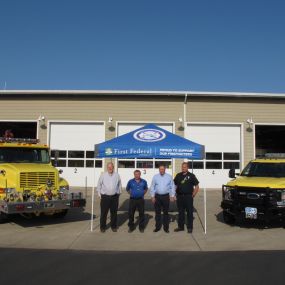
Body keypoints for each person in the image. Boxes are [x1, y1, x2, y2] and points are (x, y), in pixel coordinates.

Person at [174, 162, 199, 234]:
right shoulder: (178, 175)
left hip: (188, 197)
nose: (183, 168)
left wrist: (193, 194)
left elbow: (197, 186)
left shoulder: (191, 176)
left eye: (184, 167)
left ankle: (190, 227)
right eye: (182, 167)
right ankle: (181, 227)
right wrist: (174, 194)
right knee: (181, 212)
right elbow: (174, 185)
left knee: (189, 213)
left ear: (187, 168)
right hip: (180, 197)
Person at [97, 162, 122, 233]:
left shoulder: (117, 175)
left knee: (114, 213)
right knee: (104, 213)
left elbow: (119, 185)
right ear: (107, 168)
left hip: (114, 197)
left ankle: (113, 226)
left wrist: (118, 193)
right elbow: (99, 185)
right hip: (105, 197)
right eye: (109, 167)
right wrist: (100, 195)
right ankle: (102, 227)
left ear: (113, 167)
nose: (110, 168)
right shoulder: (103, 175)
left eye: (111, 167)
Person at [150, 164, 176, 233]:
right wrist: (152, 196)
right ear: (159, 170)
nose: (161, 170)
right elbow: (152, 186)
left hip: (166, 197)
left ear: (165, 169)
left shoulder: (169, 177)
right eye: (160, 169)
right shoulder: (155, 177)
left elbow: (172, 186)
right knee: (157, 213)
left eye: (163, 169)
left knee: (165, 213)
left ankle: (166, 228)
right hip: (157, 197)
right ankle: (157, 227)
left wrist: (172, 195)